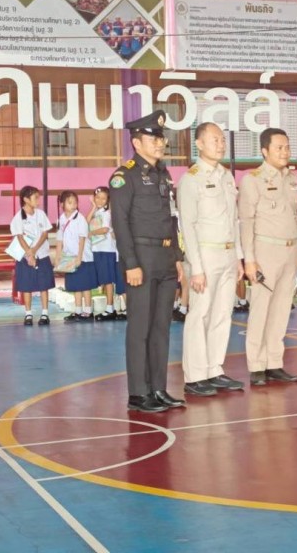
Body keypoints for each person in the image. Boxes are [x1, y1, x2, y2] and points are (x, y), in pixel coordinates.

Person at [110, 110, 185, 413]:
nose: (159, 143)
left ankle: (158, 388)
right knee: (140, 328)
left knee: (161, 328)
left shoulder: (163, 174)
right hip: (141, 258)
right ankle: (138, 393)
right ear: (136, 142)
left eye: (161, 138)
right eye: (153, 138)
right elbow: (120, 222)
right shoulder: (124, 176)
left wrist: (177, 257)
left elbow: (171, 219)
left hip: (165, 258)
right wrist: (130, 263)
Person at [178, 122, 245, 397]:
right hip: (205, 255)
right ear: (199, 144)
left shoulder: (226, 176)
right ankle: (195, 376)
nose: (220, 144)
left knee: (222, 314)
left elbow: (234, 220)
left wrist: (238, 257)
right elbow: (188, 225)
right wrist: (196, 267)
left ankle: (214, 369)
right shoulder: (191, 179)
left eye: (222, 140)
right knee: (200, 314)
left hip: (228, 254)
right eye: (214, 139)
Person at [239, 127, 297, 386]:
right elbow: (246, 222)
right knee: (261, 309)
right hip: (265, 251)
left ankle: (274, 362)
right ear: (265, 151)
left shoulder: (291, 178)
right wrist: (249, 259)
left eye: (287, 147)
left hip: (289, 250)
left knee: (281, 309)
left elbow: (293, 218)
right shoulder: (252, 180)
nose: (285, 152)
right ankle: (256, 365)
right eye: (279, 147)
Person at [10, 185, 55, 326]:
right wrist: (29, 254)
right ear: (26, 199)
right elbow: (19, 237)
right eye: (35, 197)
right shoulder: (18, 217)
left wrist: (34, 250)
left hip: (42, 254)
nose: (38, 200)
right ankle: (28, 314)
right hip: (25, 257)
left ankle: (45, 313)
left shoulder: (41, 214)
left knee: (43, 284)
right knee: (26, 285)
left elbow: (45, 234)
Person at [55, 190, 99, 322]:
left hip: (83, 258)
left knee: (85, 285)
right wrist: (58, 257)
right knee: (76, 286)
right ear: (62, 204)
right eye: (70, 202)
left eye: (75, 202)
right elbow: (59, 239)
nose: (73, 205)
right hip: (70, 258)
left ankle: (88, 311)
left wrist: (79, 257)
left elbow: (82, 239)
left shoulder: (80, 218)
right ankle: (78, 311)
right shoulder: (61, 219)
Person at [88, 186, 120, 321]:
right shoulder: (97, 212)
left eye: (103, 198)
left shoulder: (106, 213)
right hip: (98, 249)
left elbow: (105, 229)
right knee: (104, 279)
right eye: (97, 198)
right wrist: (93, 207)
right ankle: (109, 308)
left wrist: (91, 233)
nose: (100, 200)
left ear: (108, 200)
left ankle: (110, 308)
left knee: (108, 281)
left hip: (106, 250)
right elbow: (86, 221)